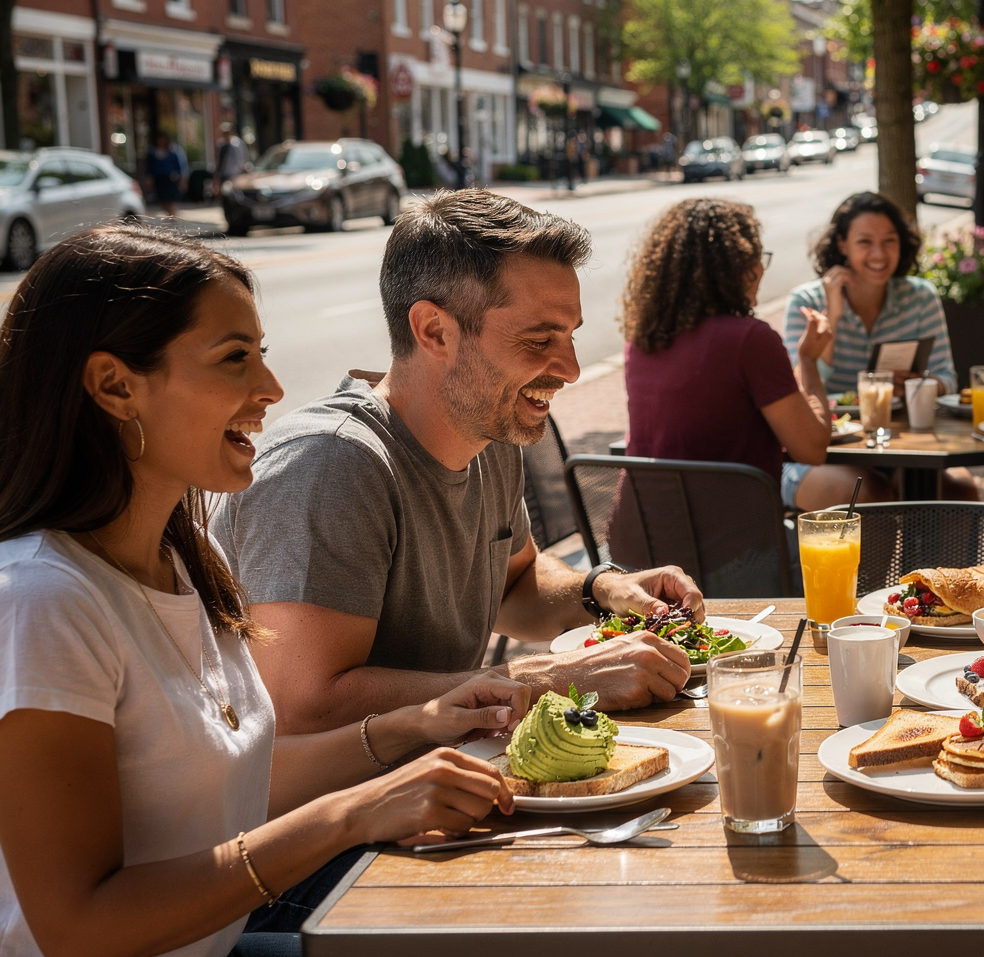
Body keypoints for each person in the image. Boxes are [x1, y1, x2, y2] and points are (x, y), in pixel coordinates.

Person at [0, 226, 528, 956]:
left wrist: (419, 724)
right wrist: (352, 814)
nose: (271, 390)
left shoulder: (187, 558)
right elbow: (78, 925)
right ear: (115, 386)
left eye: (263, 354)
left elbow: (228, 776)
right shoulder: (44, 602)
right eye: (233, 358)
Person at [210, 190, 706, 734]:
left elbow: (514, 588)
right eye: (539, 339)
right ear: (434, 331)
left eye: (570, 337)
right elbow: (303, 706)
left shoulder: (489, 435)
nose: (569, 369)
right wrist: (560, 677)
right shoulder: (329, 464)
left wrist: (601, 591)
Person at [621, 198, 835, 480]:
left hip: (643, 519)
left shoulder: (641, 340)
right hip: (728, 522)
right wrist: (808, 360)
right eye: (758, 257)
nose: (761, 269)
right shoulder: (749, 339)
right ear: (743, 266)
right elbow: (811, 449)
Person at [781, 192, 969, 509]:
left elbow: (947, 377)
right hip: (825, 449)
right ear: (842, 245)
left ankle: (938, 563)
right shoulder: (806, 302)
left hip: (899, 443)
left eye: (890, 241)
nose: (879, 253)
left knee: (959, 493)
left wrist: (916, 385)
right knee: (869, 495)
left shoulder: (920, 297)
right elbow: (801, 391)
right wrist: (834, 314)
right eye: (865, 241)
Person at [145, 132, 187, 217]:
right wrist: (149, 179)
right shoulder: (153, 153)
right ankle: (169, 215)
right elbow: (150, 168)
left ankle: (173, 218)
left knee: (172, 202)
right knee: (161, 201)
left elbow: (181, 168)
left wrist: (183, 181)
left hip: (171, 180)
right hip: (159, 181)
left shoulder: (173, 152)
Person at [213, 123, 248, 198]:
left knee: (235, 194)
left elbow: (243, 159)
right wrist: (217, 176)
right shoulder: (221, 144)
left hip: (235, 174)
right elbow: (219, 161)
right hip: (224, 173)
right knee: (224, 194)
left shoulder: (237, 144)